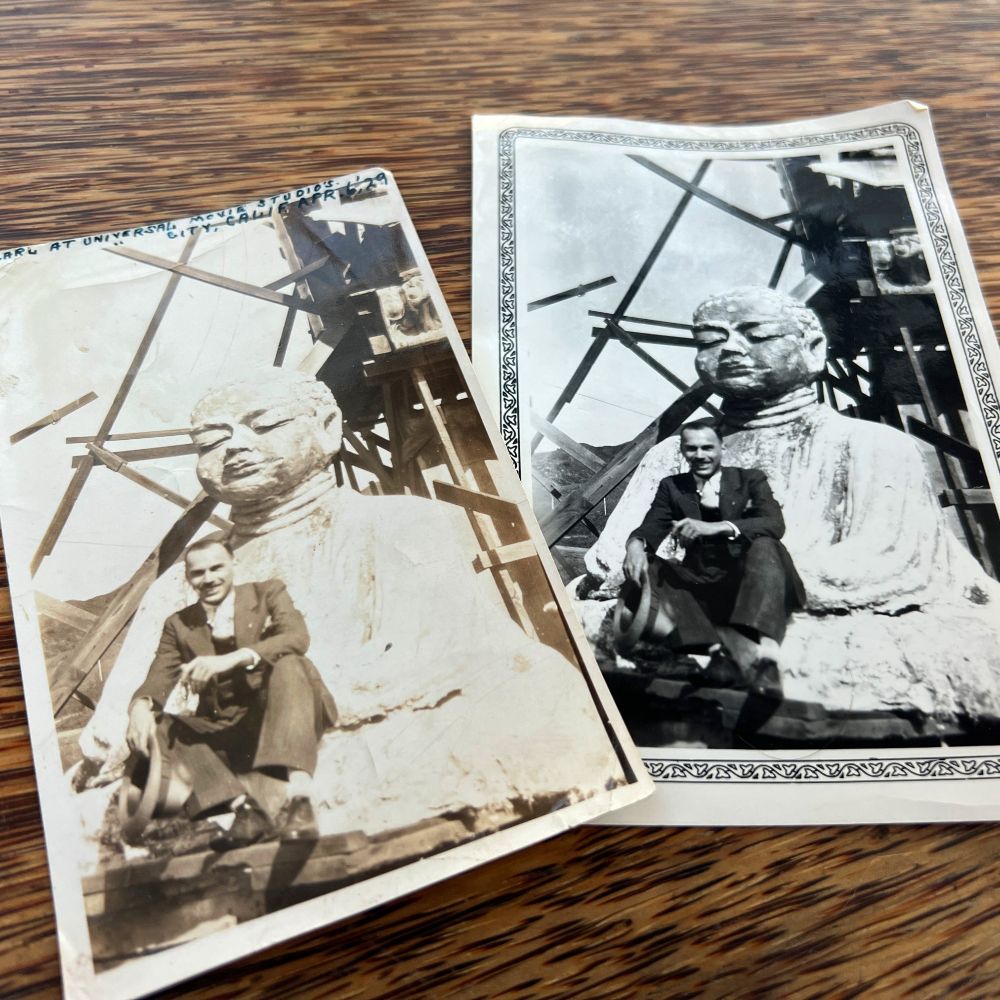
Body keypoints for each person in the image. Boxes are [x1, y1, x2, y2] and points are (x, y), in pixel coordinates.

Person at [81, 367, 627, 846]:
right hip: (228, 740)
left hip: (373, 718)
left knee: (535, 686)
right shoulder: (182, 582)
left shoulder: (404, 523)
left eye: (264, 425)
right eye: (209, 441)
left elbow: (451, 653)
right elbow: (128, 708)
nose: (236, 448)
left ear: (328, 430)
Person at [582, 286, 1000, 719]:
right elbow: (611, 562)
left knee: (925, 648)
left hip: (806, 612)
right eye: (709, 341)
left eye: (757, 335)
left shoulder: (870, 445)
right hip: (686, 605)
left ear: (814, 350)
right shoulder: (668, 455)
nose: (730, 350)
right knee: (585, 627)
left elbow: (890, 563)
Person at [126, 538, 336, 846]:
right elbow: (159, 676)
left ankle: (301, 801)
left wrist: (233, 658)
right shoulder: (180, 624)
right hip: (225, 728)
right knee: (157, 725)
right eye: (198, 573)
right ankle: (245, 812)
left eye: (216, 568)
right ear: (188, 577)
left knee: (291, 664)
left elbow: (296, 637)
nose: (209, 579)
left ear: (234, 565)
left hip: (279, 715)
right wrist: (139, 707)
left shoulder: (266, 593)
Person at [622, 420, 804, 696]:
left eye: (707, 447)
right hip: (702, 580)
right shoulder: (673, 487)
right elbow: (653, 526)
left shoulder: (749, 480)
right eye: (691, 448)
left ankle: (767, 659)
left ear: (721, 447)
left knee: (765, 545)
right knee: (649, 564)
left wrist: (719, 527)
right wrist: (635, 545)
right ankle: (717, 652)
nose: (700, 455)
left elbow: (773, 523)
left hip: (748, 579)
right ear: (683, 450)